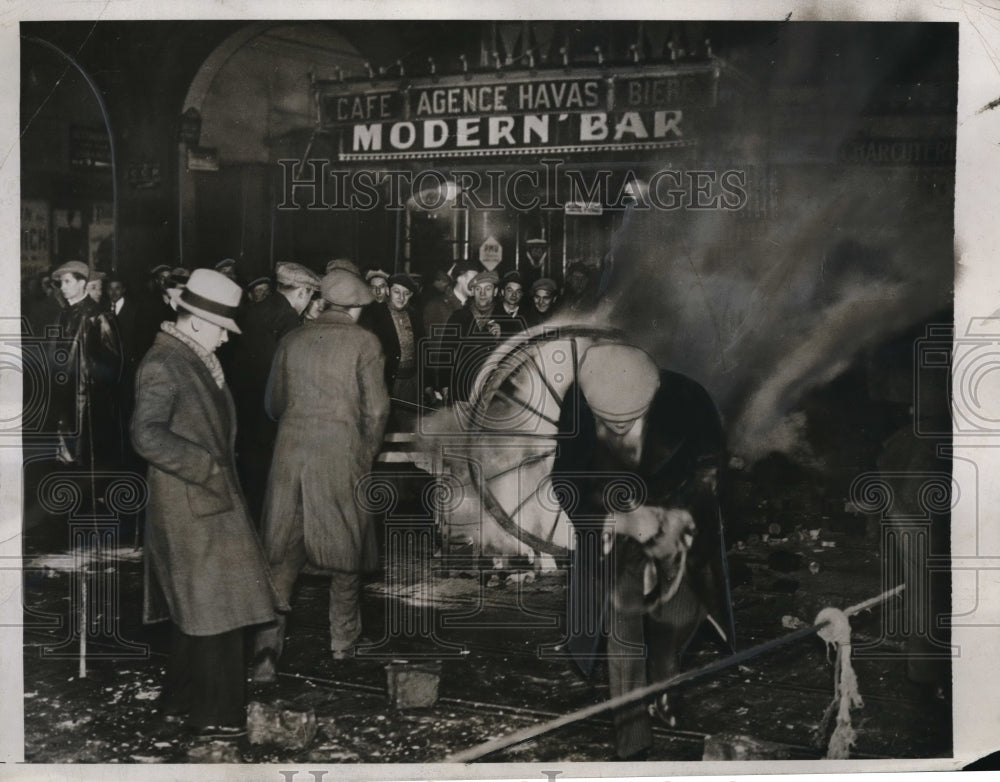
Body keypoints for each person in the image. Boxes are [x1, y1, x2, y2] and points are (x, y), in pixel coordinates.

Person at [552, 343, 733, 760]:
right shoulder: (579, 400)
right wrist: (617, 521)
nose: (617, 431)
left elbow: (711, 469)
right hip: (615, 528)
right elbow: (566, 480)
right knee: (623, 627)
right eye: (608, 422)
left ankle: (665, 680)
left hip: (674, 520)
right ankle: (632, 740)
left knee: (675, 617)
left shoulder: (689, 399)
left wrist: (679, 516)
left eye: (628, 422)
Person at [131, 268, 285, 739]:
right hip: (192, 505)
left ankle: (181, 703)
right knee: (217, 612)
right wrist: (204, 466)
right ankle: (215, 716)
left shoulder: (192, 357)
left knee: (202, 610)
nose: (225, 338)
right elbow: (145, 434)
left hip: (205, 503)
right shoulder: (165, 363)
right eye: (222, 328)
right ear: (197, 321)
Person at [252, 268, 389, 680]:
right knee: (345, 554)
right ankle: (343, 643)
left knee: (282, 556)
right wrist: (363, 454)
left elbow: (273, 404)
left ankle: (265, 652)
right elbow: (378, 410)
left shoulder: (292, 340)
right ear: (356, 308)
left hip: (290, 461)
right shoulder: (365, 342)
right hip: (341, 456)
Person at [229, 261, 320, 525]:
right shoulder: (289, 318)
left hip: (246, 408)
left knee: (251, 482)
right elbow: (291, 372)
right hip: (270, 415)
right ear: (302, 291)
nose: (309, 302)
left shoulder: (255, 310)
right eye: (310, 295)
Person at [51, 260, 123, 469]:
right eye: (61, 283)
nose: (62, 287)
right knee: (67, 461)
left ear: (82, 283)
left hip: (88, 403)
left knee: (88, 460)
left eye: (67, 281)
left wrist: (88, 380)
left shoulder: (98, 316)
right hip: (66, 398)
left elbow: (113, 364)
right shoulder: (65, 314)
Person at [435, 270, 505, 404]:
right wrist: (444, 384)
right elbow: (446, 352)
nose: (482, 293)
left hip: (495, 394)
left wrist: (501, 338)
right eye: (478, 289)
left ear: (495, 292)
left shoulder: (505, 320)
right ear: (472, 293)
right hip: (462, 389)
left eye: (488, 289)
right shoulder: (459, 317)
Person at [361, 272, 425, 406]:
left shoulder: (415, 316)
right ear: (388, 291)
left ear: (411, 295)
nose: (401, 297)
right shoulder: (375, 316)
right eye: (397, 292)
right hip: (387, 383)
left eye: (406, 293)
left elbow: (423, 349)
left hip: (412, 382)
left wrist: (427, 383)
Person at [421, 262, 477, 337]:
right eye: (473, 279)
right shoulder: (437, 306)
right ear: (459, 278)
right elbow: (438, 344)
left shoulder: (473, 306)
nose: (476, 284)